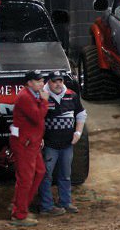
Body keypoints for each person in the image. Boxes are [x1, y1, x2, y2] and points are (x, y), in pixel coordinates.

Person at [37, 70, 86, 217]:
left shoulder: (71, 95)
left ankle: (65, 202)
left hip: (67, 144)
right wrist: (39, 137)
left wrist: (78, 132)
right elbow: (36, 117)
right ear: (48, 82)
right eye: (55, 81)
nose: (58, 84)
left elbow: (81, 113)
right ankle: (46, 206)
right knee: (46, 176)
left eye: (60, 81)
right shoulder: (42, 96)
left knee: (65, 175)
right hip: (50, 145)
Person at [8, 70, 49, 226]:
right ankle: (19, 215)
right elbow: (37, 117)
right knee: (25, 179)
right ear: (29, 83)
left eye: (42, 81)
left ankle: (20, 205)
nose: (42, 84)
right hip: (24, 144)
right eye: (38, 81)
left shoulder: (33, 94)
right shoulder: (25, 97)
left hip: (32, 142)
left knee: (40, 172)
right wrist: (45, 101)